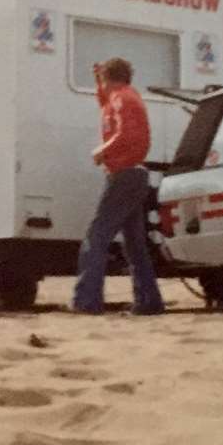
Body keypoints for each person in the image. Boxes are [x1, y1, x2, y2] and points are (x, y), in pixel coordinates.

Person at [72, 58, 164, 316]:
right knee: (134, 243)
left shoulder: (123, 99)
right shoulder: (121, 97)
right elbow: (105, 105)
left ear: (108, 77)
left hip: (124, 175)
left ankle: (86, 300)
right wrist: (98, 82)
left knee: (97, 235)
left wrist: (103, 150)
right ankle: (148, 301)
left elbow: (128, 134)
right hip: (134, 175)